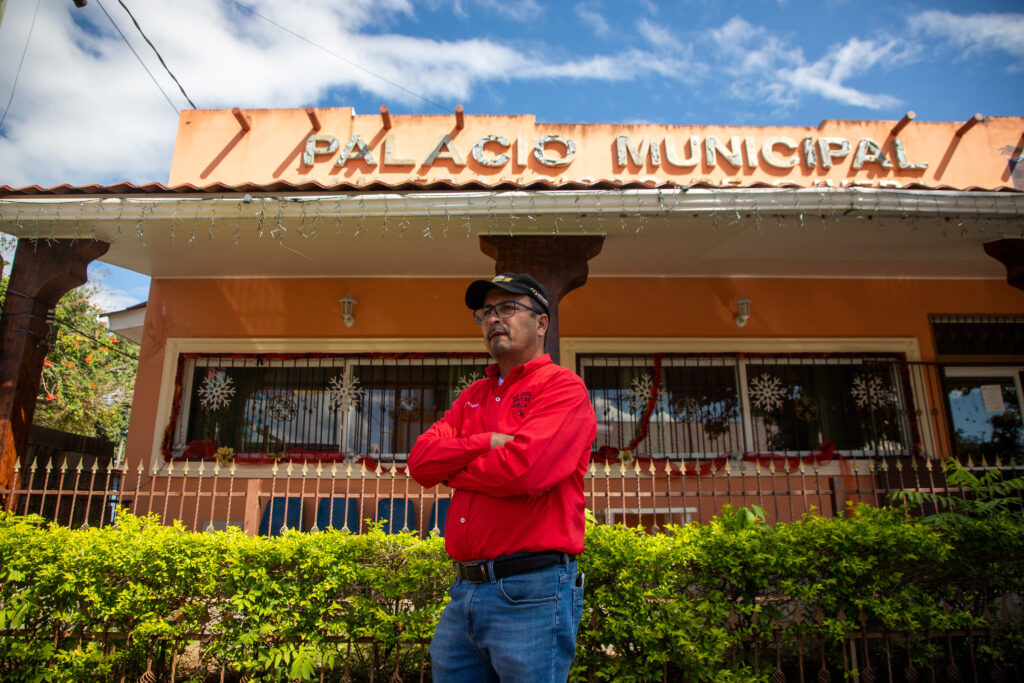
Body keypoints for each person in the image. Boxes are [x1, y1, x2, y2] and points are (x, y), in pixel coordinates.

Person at [408, 272, 597, 682]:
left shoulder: (563, 388)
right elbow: (421, 461)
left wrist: (454, 471)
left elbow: (526, 470)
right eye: (486, 312)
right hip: (465, 593)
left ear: (542, 323)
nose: (494, 319)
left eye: (508, 308)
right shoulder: (473, 395)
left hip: (532, 591)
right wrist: (487, 441)